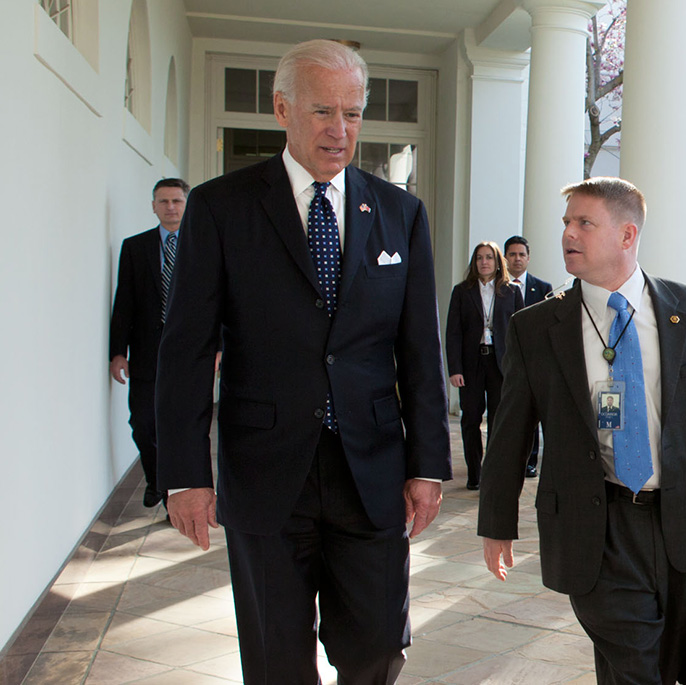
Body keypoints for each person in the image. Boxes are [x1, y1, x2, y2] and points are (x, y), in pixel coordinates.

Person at [154, 40, 451, 684]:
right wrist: (184, 475)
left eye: (352, 113)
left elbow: (420, 351)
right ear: (281, 106)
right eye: (322, 111)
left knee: (377, 646)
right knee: (276, 662)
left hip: (369, 472)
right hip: (264, 473)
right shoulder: (220, 207)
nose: (339, 130)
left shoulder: (400, 213)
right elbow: (185, 351)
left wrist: (428, 464)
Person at [478, 177, 686, 684]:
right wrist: (497, 520)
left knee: (674, 663)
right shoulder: (536, 326)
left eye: (584, 222)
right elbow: (511, 429)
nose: (568, 233)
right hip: (597, 527)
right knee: (634, 666)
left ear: (627, 235)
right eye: (567, 222)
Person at [109, 178, 190, 509]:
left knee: (181, 428)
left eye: (176, 201)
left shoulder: (202, 245)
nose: (170, 207)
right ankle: (157, 480)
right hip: (145, 354)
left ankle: (174, 495)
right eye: (163, 201)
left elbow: (218, 301)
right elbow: (123, 303)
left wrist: (218, 348)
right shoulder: (135, 247)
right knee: (142, 423)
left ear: (187, 205)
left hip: (188, 354)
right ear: (153, 206)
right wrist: (117, 352)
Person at [447, 242, 523, 490]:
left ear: (497, 260)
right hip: (471, 363)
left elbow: (521, 332)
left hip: (500, 363)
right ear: (474, 262)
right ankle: (474, 472)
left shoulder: (511, 292)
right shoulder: (462, 291)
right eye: (479, 258)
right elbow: (453, 332)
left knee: (498, 420)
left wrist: (519, 367)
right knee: (470, 417)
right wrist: (455, 368)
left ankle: (492, 471)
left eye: (489, 257)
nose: (484, 262)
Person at [503, 235, 552, 477]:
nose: (517, 259)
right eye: (512, 254)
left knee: (533, 412)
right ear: (505, 258)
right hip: (505, 360)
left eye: (521, 254)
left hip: (535, 360)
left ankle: (530, 461)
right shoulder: (497, 289)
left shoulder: (542, 289)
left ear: (528, 258)